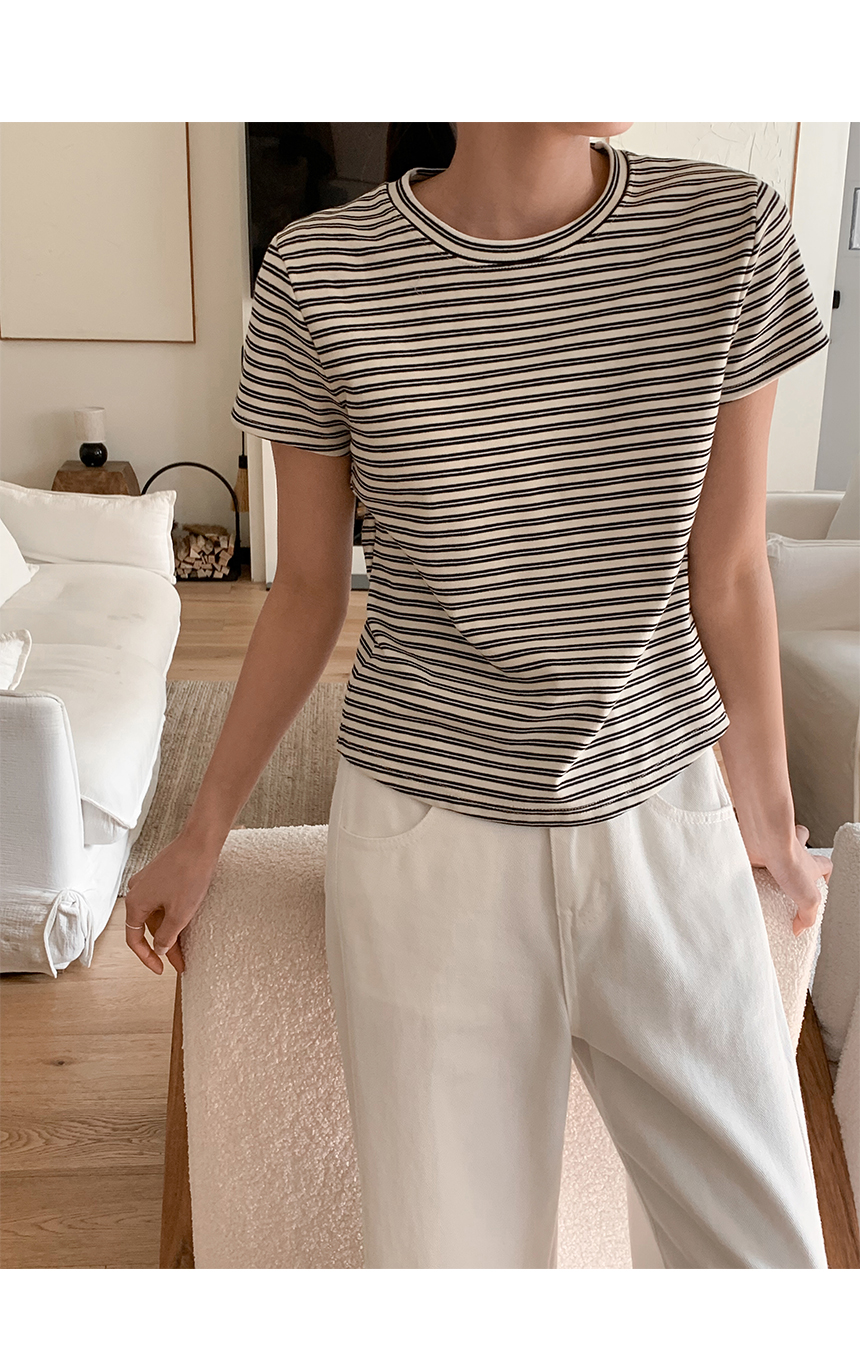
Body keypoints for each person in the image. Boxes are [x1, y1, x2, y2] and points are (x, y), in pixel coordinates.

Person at [125, 123, 834, 1269]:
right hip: (423, 841)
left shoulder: (727, 231)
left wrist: (768, 820)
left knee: (760, 1260)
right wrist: (203, 829)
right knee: (452, 1272)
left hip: (660, 811)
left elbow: (730, 567)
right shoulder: (319, 272)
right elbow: (307, 585)